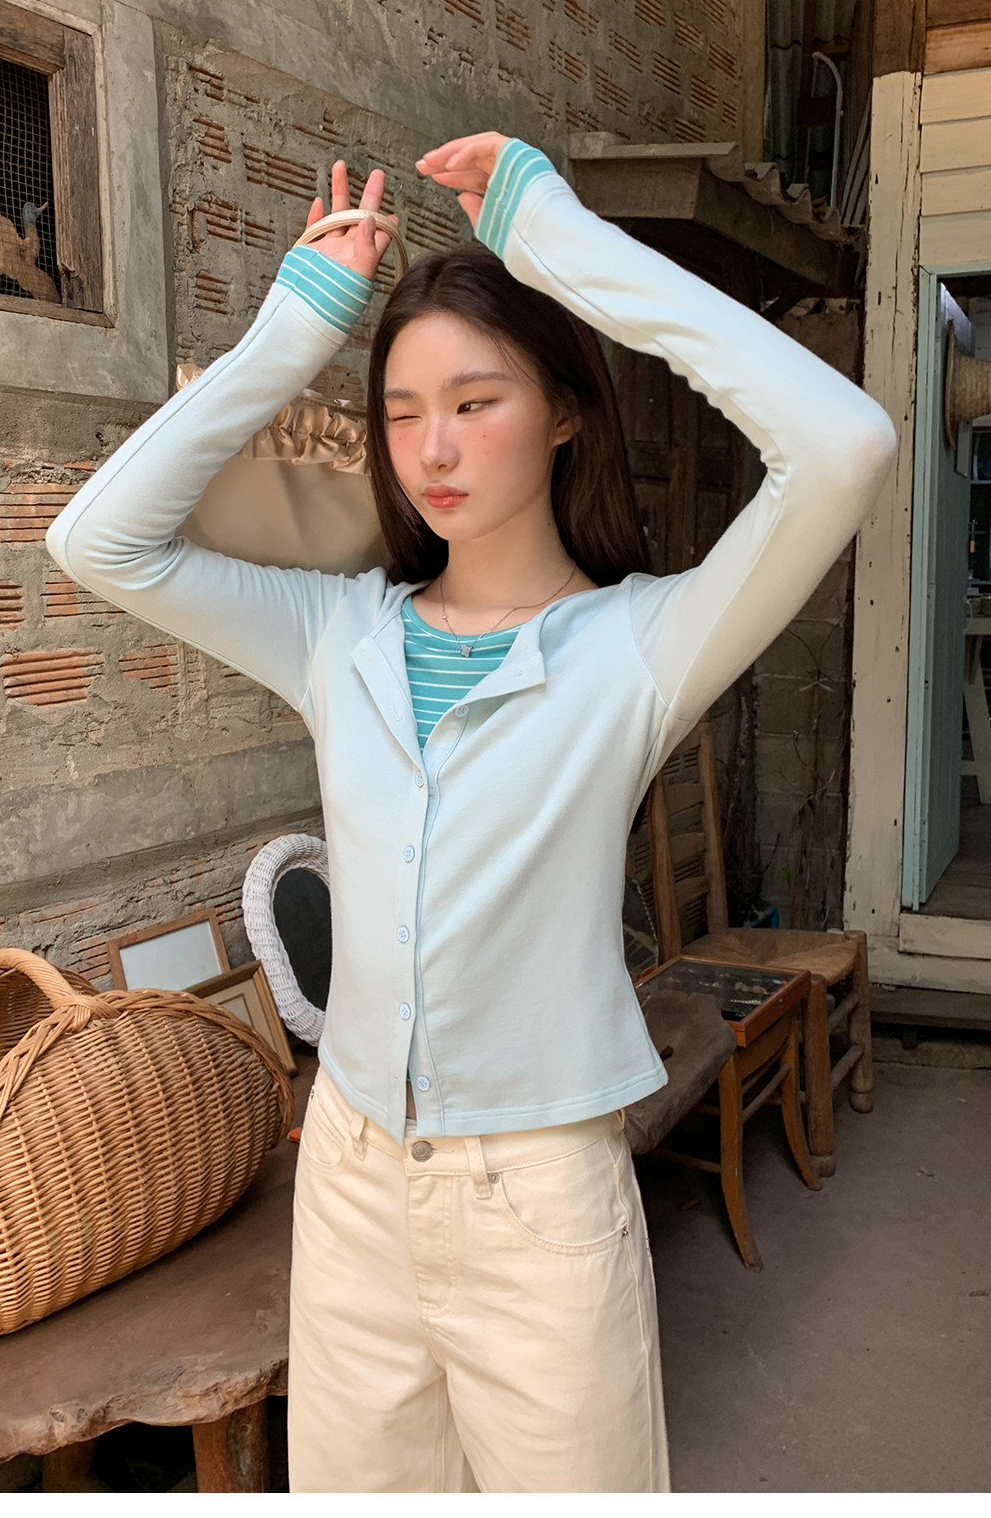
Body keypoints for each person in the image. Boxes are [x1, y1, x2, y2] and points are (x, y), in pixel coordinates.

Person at [46, 131, 898, 1493]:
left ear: (564, 410)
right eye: (400, 411)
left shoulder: (642, 647)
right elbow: (97, 541)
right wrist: (296, 328)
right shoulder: (335, 632)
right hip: (349, 1179)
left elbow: (845, 443)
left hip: (538, 1202)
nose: (431, 448)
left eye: (475, 400)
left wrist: (558, 244)